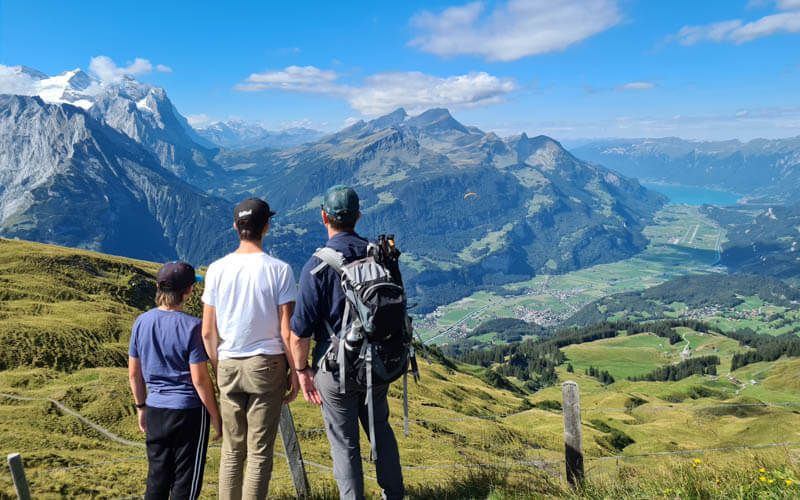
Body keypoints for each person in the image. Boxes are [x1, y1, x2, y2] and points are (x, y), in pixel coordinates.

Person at [289, 185, 405, 500]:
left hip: (336, 369)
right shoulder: (380, 254)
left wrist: (301, 371)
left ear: (324, 216)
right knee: (380, 430)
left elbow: (299, 332)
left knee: (345, 444)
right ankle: (394, 495)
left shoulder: (317, 267)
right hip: (378, 362)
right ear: (359, 216)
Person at [201, 197, 299, 500]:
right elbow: (286, 330)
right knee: (259, 453)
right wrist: (296, 371)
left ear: (235, 226)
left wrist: (220, 367)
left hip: (228, 363)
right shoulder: (280, 270)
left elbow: (207, 331)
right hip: (266, 365)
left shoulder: (216, 270)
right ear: (266, 226)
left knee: (232, 451)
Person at [128, 261, 222, 500]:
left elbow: (134, 373)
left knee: (157, 478)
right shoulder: (192, 327)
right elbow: (200, 379)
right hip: (188, 411)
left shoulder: (142, 322)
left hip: (156, 408)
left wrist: (141, 407)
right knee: (185, 482)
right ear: (188, 291)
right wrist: (215, 415)